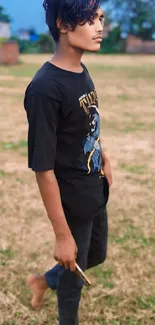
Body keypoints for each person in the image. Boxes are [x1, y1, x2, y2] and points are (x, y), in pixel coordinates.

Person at [24, 0, 113, 324]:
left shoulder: (80, 69)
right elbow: (43, 168)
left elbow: (86, 121)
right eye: (90, 20)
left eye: (100, 18)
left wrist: (103, 155)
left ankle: (44, 279)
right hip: (71, 198)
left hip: (94, 187)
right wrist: (62, 235)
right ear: (63, 24)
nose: (100, 27)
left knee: (95, 255)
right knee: (72, 276)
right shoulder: (45, 89)